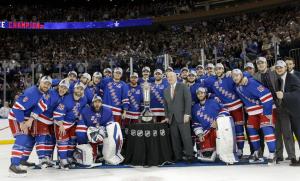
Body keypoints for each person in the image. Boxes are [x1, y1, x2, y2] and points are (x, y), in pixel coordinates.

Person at [8, 76, 52, 175]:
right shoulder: (31, 92)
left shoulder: (43, 94)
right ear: (40, 82)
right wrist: (21, 123)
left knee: (29, 139)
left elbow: (39, 108)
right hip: (16, 117)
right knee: (22, 137)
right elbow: (17, 108)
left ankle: (22, 160)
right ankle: (14, 165)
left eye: (49, 84)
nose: (47, 85)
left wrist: (31, 120)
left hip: (26, 119)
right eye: (45, 83)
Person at [231, 69, 276, 165]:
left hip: (264, 109)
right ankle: (256, 152)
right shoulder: (237, 87)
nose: (235, 77)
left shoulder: (250, 82)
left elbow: (267, 95)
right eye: (233, 76)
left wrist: (268, 111)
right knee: (251, 131)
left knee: (267, 130)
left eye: (237, 75)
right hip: (252, 112)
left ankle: (272, 153)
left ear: (241, 75)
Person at [204, 63, 245, 157]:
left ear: (223, 69)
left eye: (220, 69)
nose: (218, 71)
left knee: (239, 129)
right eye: (216, 69)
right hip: (225, 108)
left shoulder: (230, 76)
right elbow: (206, 90)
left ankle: (240, 149)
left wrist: (233, 73)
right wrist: (215, 96)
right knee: (225, 130)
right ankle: (228, 149)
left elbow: (244, 74)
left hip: (237, 107)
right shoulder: (211, 81)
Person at [30, 79, 70, 168]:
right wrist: (32, 118)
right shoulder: (51, 93)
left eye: (65, 88)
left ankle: (47, 158)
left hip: (50, 120)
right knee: (41, 137)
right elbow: (41, 105)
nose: (62, 89)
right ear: (58, 86)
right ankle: (41, 159)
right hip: (41, 117)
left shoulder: (63, 97)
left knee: (50, 139)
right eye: (61, 87)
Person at [76, 96, 124, 165]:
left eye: (99, 102)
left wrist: (103, 130)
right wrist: (86, 133)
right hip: (90, 133)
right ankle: (92, 154)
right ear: (92, 103)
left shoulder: (107, 111)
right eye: (95, 102)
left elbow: (111, 124)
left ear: (101, 103)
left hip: (102, 131)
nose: (97, 104)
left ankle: (109, 156)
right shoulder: (85, 111)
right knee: (91, 158)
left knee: (113, 131)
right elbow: (81, 125)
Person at [53, 82, 87, 169]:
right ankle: (63, 160)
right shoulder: (66, 99)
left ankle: (69, 158)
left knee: (72, 141)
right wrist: (60, 125)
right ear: (74, 89)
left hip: (73, 123)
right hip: (62, 123)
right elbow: (57, 113)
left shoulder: (84, 99)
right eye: (78, 88)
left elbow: (82, 110)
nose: (79, 90)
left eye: (81, 89)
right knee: (63, 142)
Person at [191, 87, 230, 161]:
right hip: (205, 132)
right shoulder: (194, 108)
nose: (200, 95)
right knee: (207, 154)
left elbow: (225, 109)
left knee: (219, 137)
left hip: (217, 129)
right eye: (198, 94)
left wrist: (218, 121)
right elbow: (195, 123)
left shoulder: (213, 102)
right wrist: (199, 134)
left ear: (205, 94)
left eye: (202, 93)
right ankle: (209, 152)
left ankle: (220, 152)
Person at [163, 72, 194, 162]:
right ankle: (178, 156)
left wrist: (187, 114)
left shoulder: (183, 86)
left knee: (186, 137)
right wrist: (167, 117)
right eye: (168, 77)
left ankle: (189, 155)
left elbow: (188, 100)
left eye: (171, 76)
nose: (170, 78)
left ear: (176, 77)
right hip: (172, 118)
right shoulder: (166, 90)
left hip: (183, 116)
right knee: (175, 138)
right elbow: (166, 105)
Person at [274, 60, 300, 166]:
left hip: (297, 111)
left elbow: (298, 93)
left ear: (286, 68)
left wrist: (284, 95)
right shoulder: (279, 80)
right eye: (277, 68)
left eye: (281, 67)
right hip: (289, 111)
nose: (279, 69)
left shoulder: (292, 78)